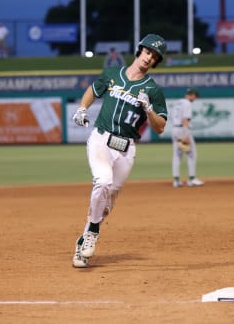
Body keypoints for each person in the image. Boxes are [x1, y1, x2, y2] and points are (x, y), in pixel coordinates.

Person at [70, 33, 168, 268]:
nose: (149, 58)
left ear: (155, 62)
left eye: (154, 56)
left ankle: (84, 240)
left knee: (107, 203)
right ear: (139, 50)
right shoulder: (113, 74)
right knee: (102, 182)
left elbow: (161, 127)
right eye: (147, 52)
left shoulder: (152, 90)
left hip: (126, 149)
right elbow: (94, 90)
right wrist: (82, 109)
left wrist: (149, 109)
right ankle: (93, 232)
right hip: (101, 140)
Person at [171, 88, 204, 188]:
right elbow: (185, 119)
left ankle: (176, 181)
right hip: (182, 130)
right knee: (192, 154)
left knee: (177, 155)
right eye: (195, 96)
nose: (195, 98)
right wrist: (186, 135)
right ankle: (192, 179)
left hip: (174, 129)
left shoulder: (177, 103)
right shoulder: (187, 103)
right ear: (192, 95)